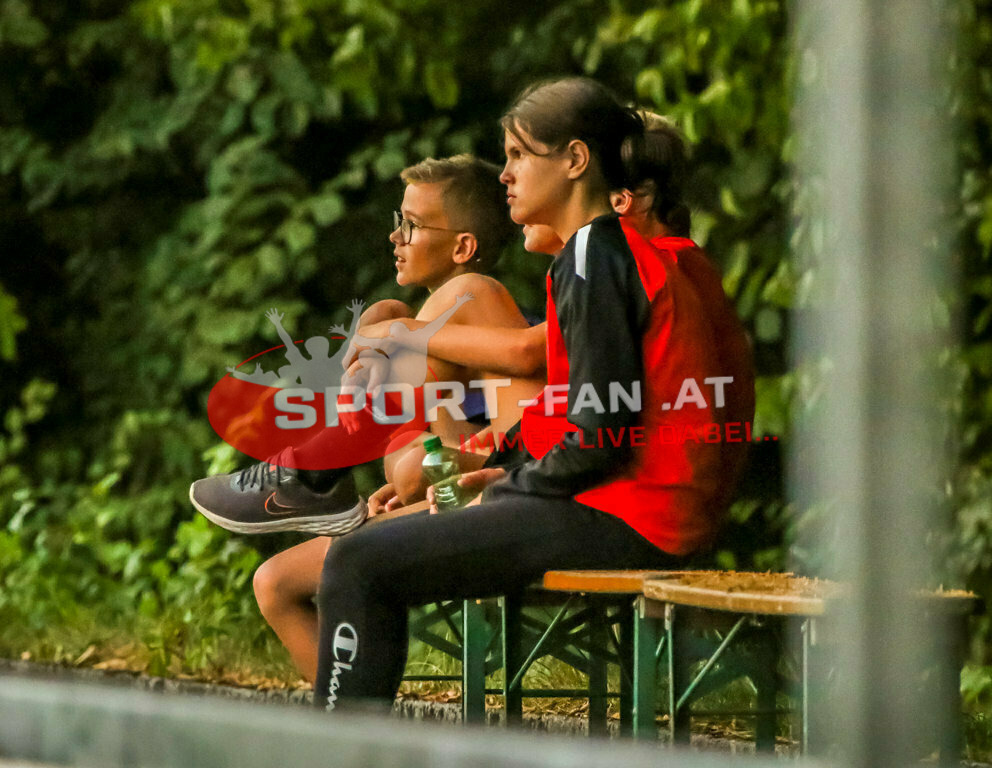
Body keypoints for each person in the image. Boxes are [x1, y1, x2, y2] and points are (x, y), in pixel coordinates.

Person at [311, 77, 730, 710]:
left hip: (633, 517)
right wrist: (494, 468)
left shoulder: (599, 258)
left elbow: (597, 438)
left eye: (517, 154)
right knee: (363, 554)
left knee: (357, 564)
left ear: (575, 161)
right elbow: (590, 416)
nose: (504, 174)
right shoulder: (598, 254)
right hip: (631, 505)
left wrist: (507, 487)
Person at [232, 155, 544, 681]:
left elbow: (499, 442)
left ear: (463, 246)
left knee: (349, 551)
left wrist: (385, 339)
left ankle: (316, 471)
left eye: (413, 225)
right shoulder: (424, 325)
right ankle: (351, 737)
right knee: (274, 582)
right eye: (398, 222)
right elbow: (445, 451)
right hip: (470, 486)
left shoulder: (475, 294)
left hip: (512, 494)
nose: (396, 238)